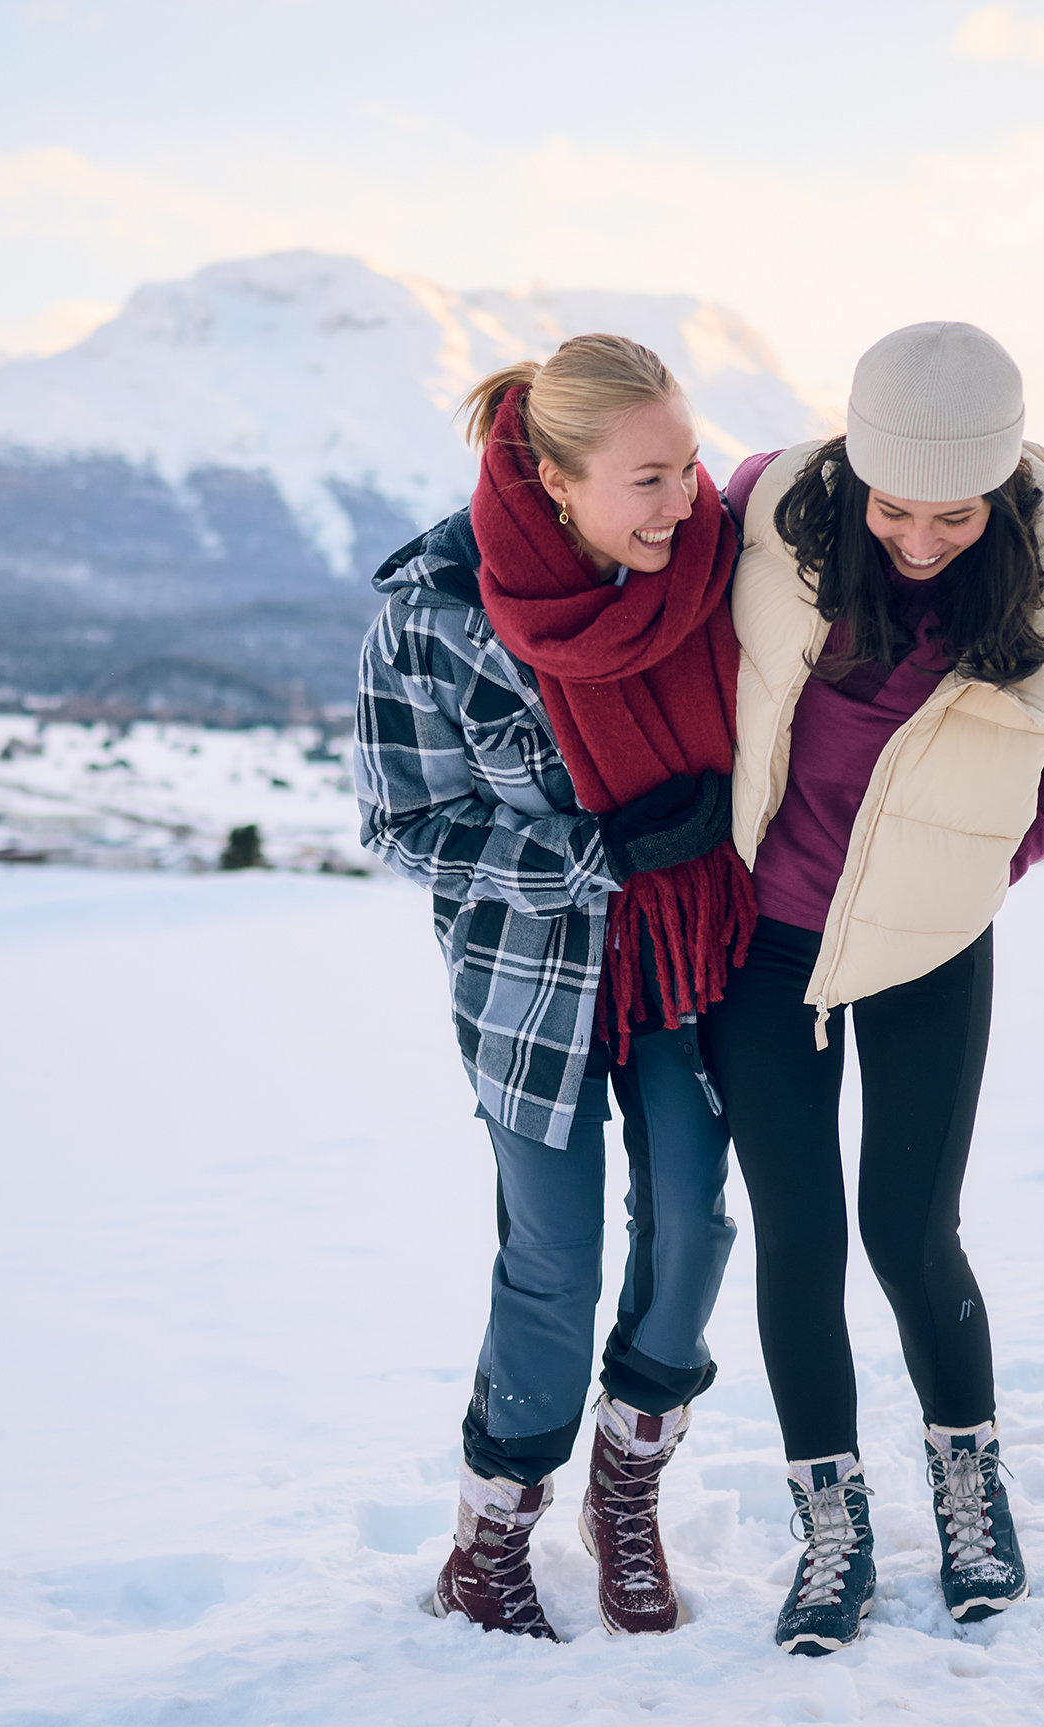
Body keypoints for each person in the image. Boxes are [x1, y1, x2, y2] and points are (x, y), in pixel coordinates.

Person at [701, 321, 1044, 1655]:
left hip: (926, 947)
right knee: (795, 1236)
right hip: (768, 944)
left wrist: (956, 881)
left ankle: (970, 1487)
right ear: (852, 471)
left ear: (1003, 491)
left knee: (910, 1230)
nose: (916, 541)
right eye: (893, 509)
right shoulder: (771, 522)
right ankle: (831, 1526)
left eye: (951, 516)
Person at [352, 335, 756, 1641]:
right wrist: (597, 852)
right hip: (532, 978)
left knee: (693, 1221)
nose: (682, 500)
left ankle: (625, 1492)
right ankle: (489, 1536)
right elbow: (407, 825)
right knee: (552, 1261)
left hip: (683, 959)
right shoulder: (432, 611)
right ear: (556, 476)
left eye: (688, 464)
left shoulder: (707, 569)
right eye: (645, 478)